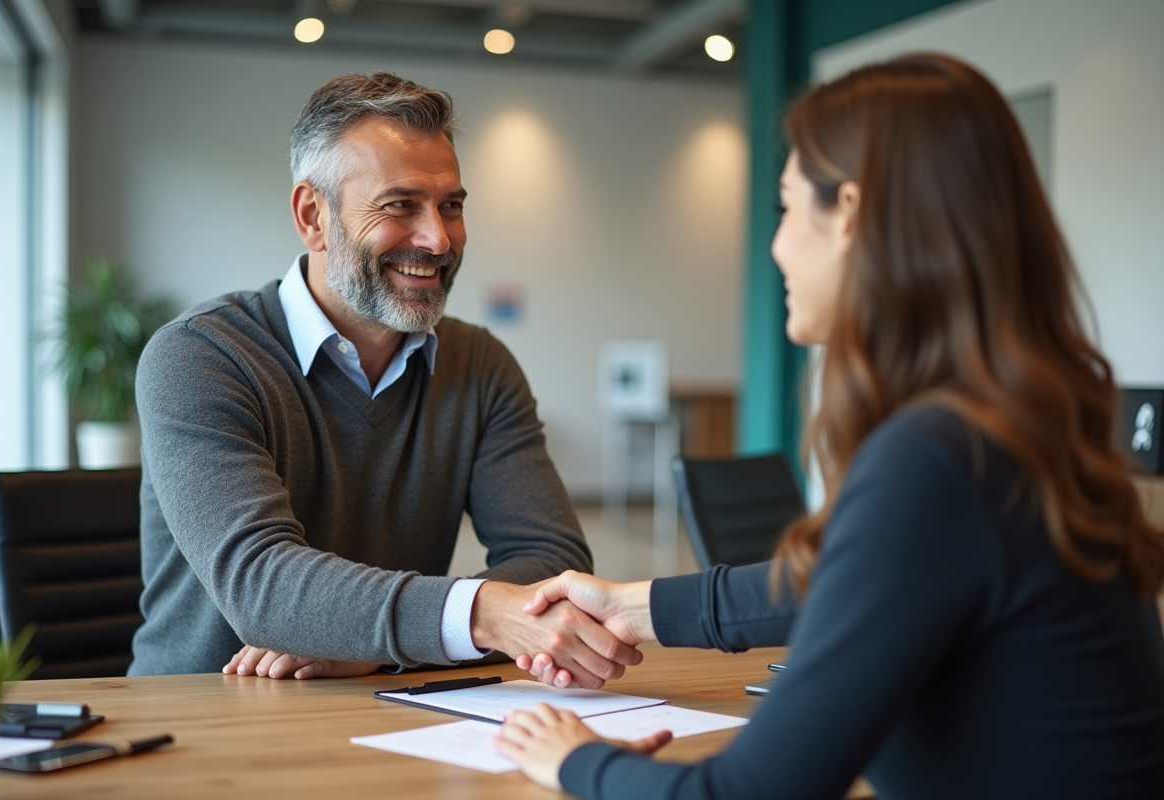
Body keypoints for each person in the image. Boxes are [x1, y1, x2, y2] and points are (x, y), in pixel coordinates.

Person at [494, 53, 1164, 799]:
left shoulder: (936, 457)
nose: (776, 246)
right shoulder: (1008, 427)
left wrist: (575, 758)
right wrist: (630, 607)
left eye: (784, 208)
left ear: (848, 213)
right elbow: (841, 587)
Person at [128, 73, 641, 688]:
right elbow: (260, 584)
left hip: (390, 706)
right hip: (205, 721)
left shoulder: (479, 365)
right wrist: (479, 615)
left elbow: (554, 558)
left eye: (452, 205)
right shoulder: (200, 356)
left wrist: (385, 648)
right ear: (313, 216)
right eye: (401, 205)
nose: (439, 238)